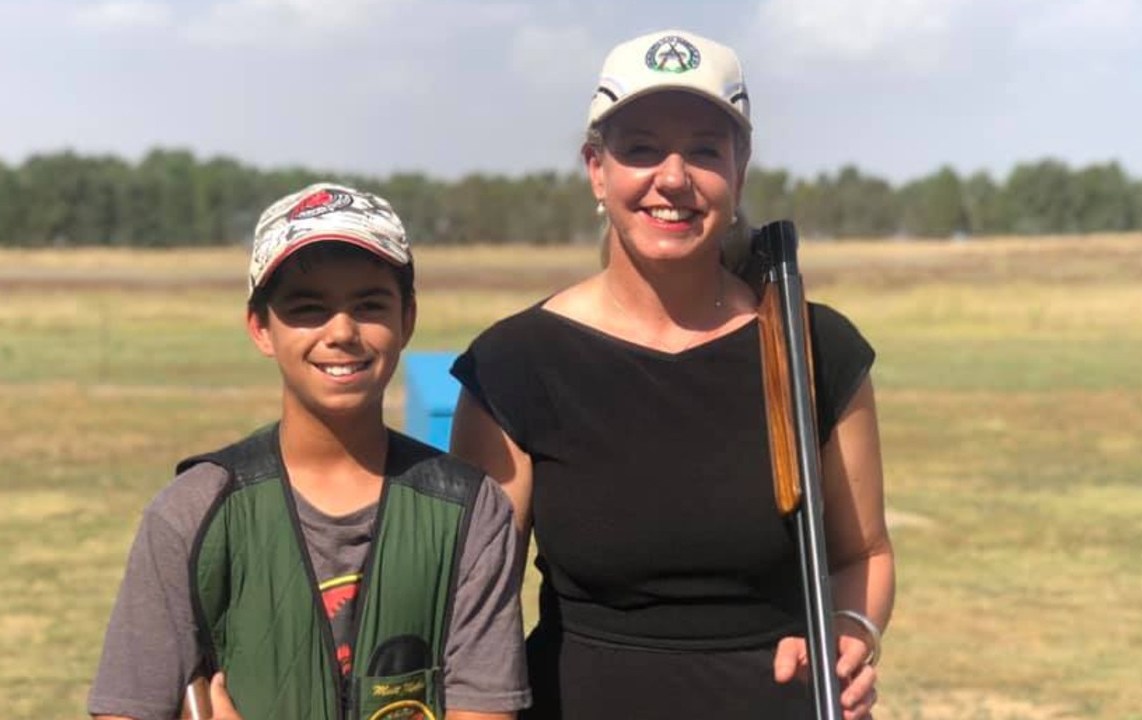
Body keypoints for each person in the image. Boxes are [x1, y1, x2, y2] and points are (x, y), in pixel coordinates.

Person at [449, 29, 895, 719]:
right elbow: (476, 614)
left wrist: (851, 631)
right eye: (641, 148)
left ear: (740, 169)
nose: (674, 176)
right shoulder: (514, 365)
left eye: (705, 150)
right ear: (596, 169)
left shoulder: (815, 345)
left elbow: (862, 552)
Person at [88, 183, 530, 720]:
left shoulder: (470, 510)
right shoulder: (193, 511)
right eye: (308, 308)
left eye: (369, 305)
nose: (341, 331)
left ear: (406, 319)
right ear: (260, 327)